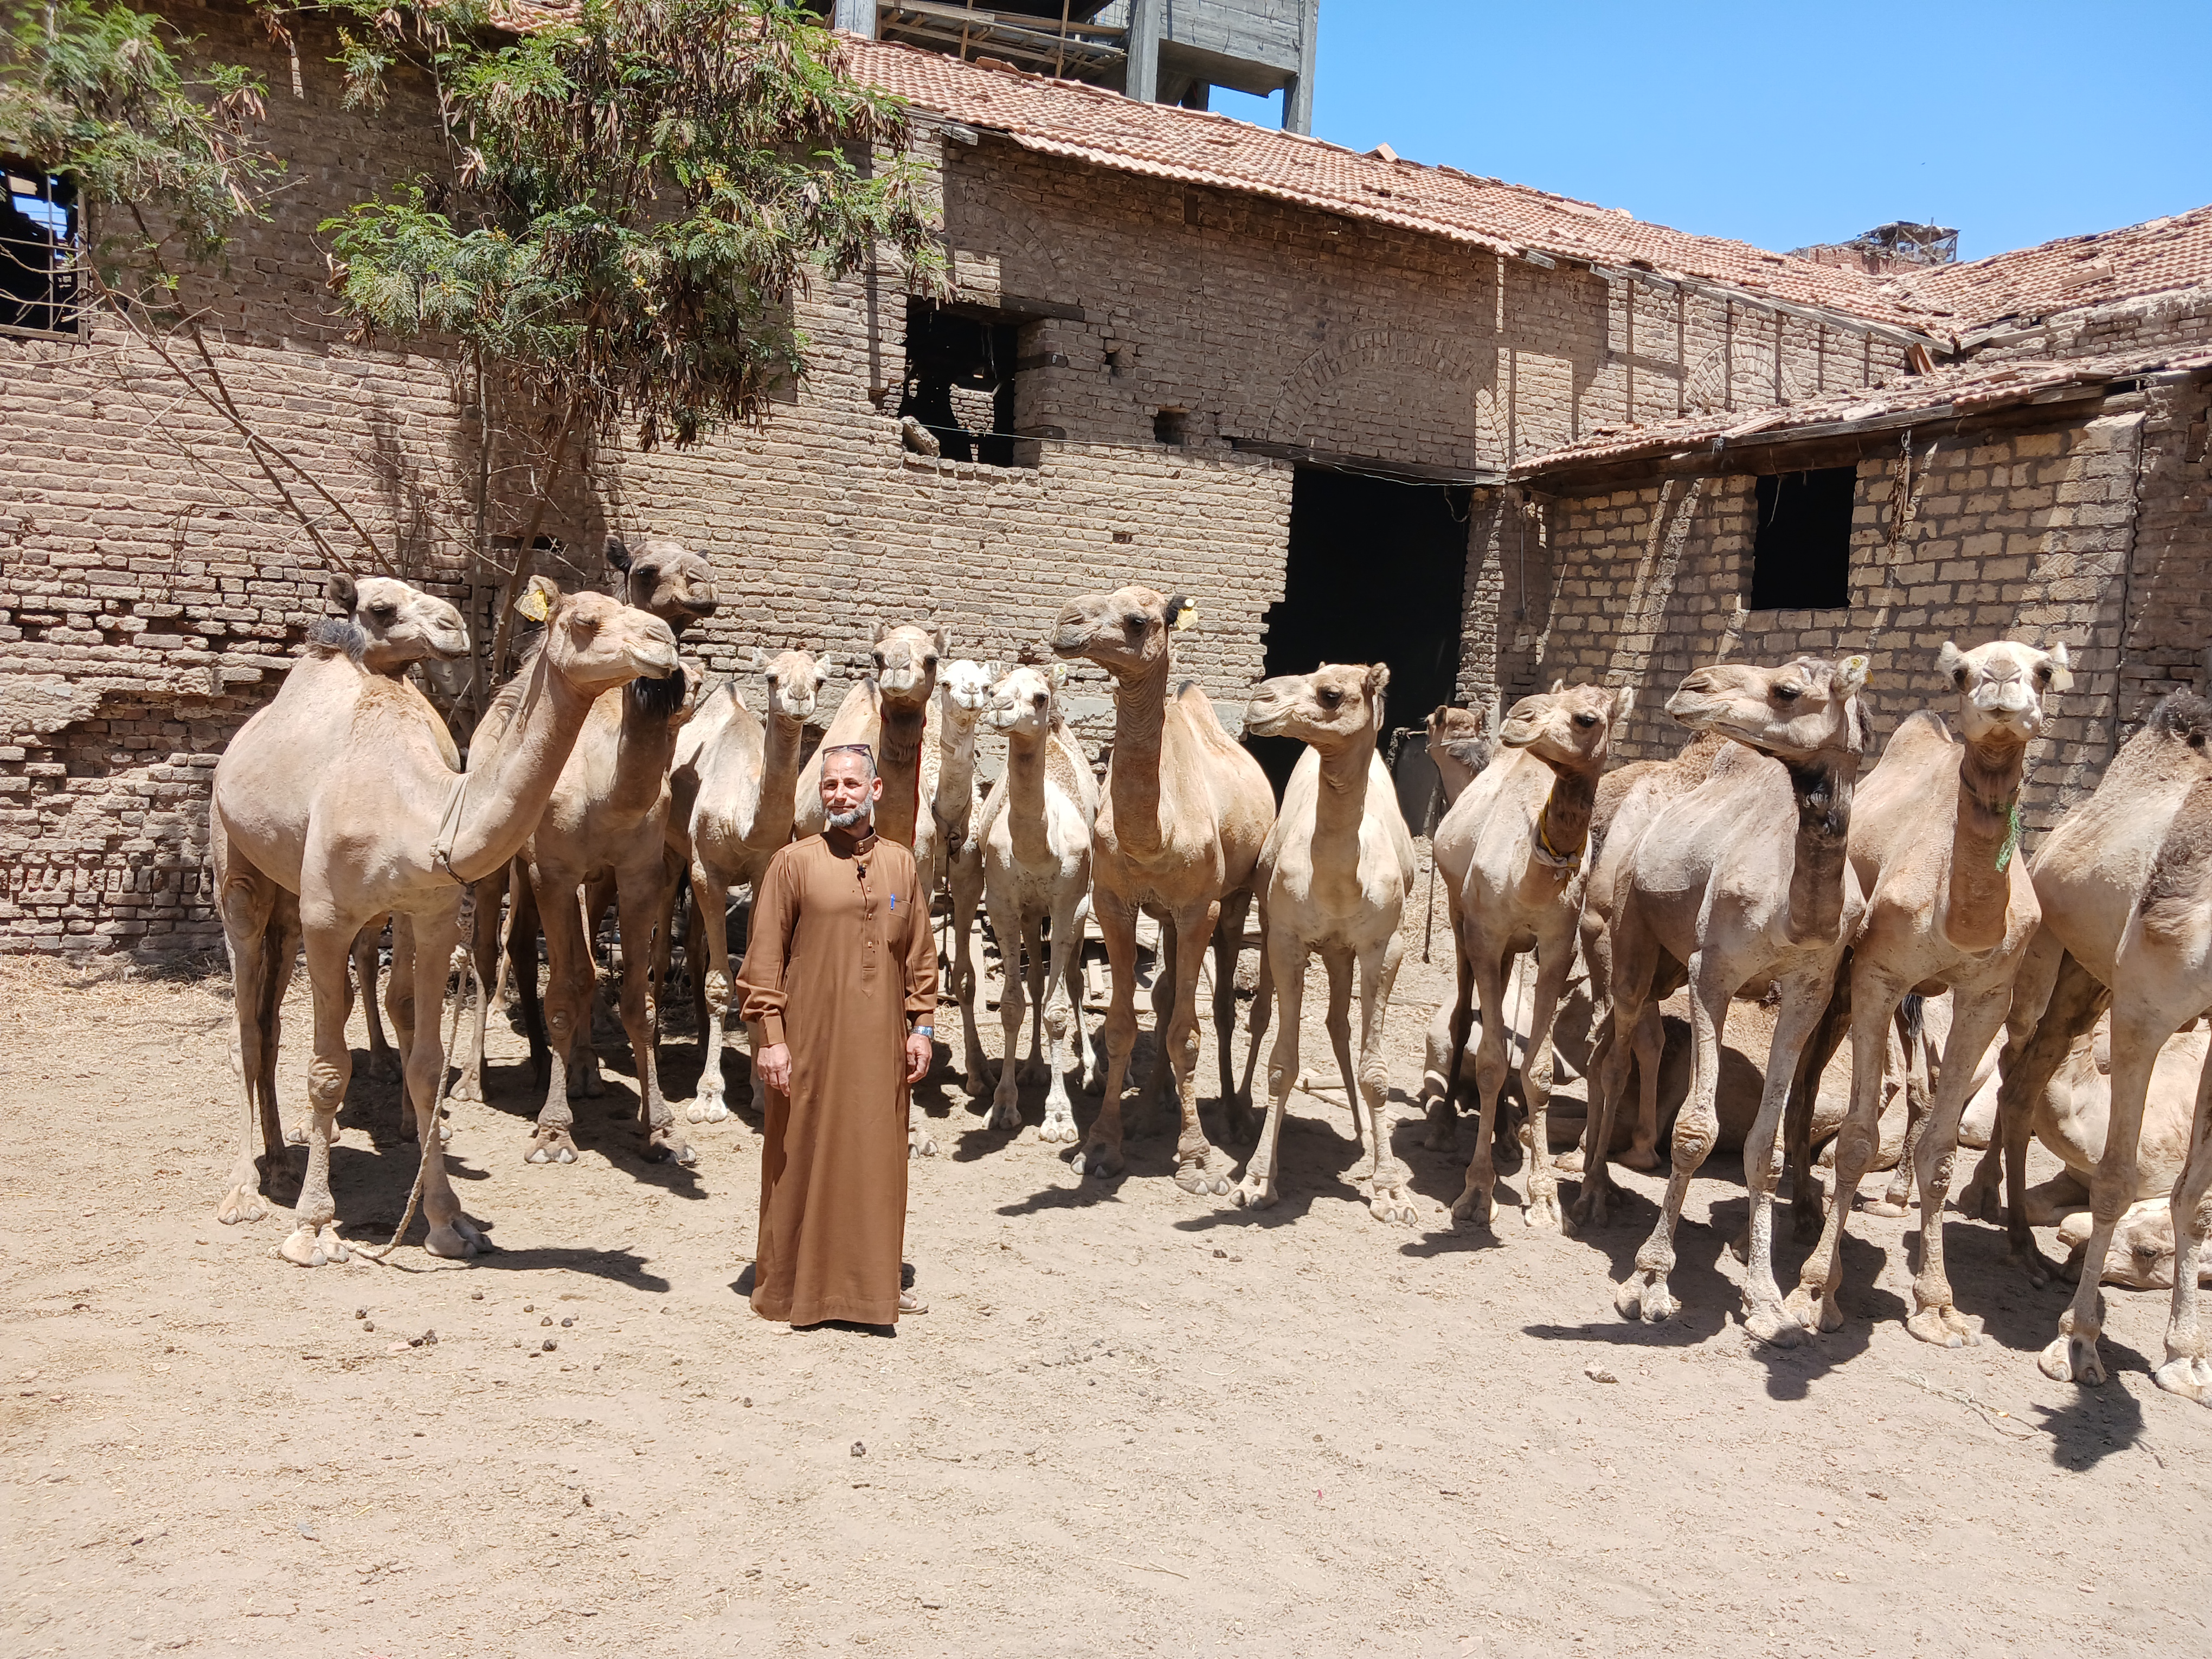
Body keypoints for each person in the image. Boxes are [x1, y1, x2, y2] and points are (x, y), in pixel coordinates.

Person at [735, 742, 938, 1326]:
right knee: (798, 1154)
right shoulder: (793, 863)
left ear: (875, 791)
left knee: (877, 1159)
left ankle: (872, 1287)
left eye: (850, 784)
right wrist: (771, 1039)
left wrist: (922, 1026)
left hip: (881, 1046)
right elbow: (762, 962)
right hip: (808, 1042)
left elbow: (921, 956)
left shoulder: (901, 864)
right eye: (829, 786)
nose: (839, 795)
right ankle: (791, 1289)